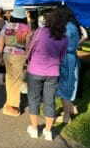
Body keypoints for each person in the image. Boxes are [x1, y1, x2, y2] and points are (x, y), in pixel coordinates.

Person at [26, 9, 68, 141]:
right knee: (50, 101)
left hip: (35, 70)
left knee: (33, 99)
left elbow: (30, 49)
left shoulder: (39, 32)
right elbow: (62, 57)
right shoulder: (64, 38)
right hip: (53, 72)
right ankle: (48, 131)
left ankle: (34, 129)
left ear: (49, 19)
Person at [0, 6, 31, 116]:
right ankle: (12, 106)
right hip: (19, 54)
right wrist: (28, 58)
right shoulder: (26, 28)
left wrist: (0, 55)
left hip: (7, 53)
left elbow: (1, 42)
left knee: (9, 78)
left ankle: (8, 103)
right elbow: (27, 45)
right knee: (16, 79)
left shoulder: (6, 26)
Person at [56, 6, 81, 123]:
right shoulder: (73, 26)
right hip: (71, 57)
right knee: (68, 84)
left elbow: (59, 45)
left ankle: (66, 117)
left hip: (66, 58)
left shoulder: (67, 28)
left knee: (64, 87)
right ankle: (69, 109)